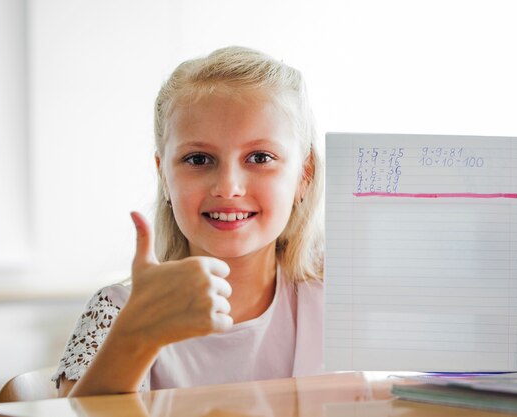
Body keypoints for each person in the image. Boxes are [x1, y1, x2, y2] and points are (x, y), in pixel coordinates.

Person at [52, 46, 324, 397]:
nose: (228, 187)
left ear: (304, 175)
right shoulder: (120, 311)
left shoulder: (339, 293)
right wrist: (137, 335)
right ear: (163, 175)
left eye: (260, 157)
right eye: (198, 159)